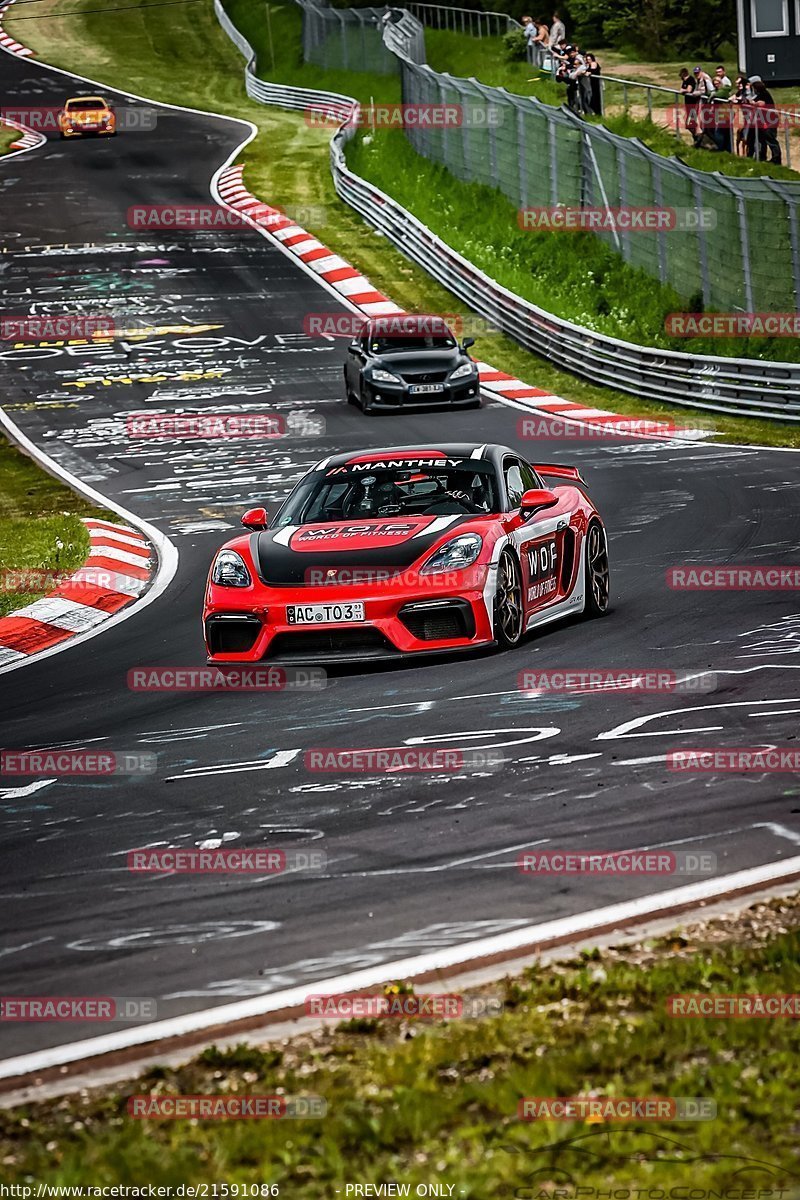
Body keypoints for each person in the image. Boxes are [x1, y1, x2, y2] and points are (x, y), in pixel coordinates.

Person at [751, 78, 782, 163]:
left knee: (771, 139)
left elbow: (760, 103)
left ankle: (776, 158)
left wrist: (753, 103)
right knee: (762, 139)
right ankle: (762, 156)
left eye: (754, 88)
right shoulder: (760, 94)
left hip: (770, 120)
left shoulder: (764, 95)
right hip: (763, 120)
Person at [679, 67, 699, 142]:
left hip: (693, 104)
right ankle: (695, 138)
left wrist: (683, 90)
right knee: (689, 123)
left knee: (691, 123)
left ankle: (697, 137)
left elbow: (689, 90)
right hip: (688, 104)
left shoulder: (690, 80)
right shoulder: (685, 81)